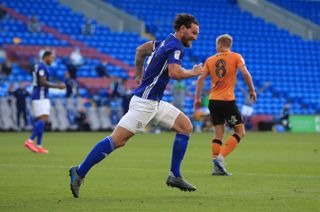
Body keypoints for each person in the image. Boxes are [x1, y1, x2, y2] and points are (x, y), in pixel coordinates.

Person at [69, 14, 202, 198]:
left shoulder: (161, 43)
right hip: (144, 104)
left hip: (154, 102)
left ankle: (175, 175)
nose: (195, 37)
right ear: (182, 29)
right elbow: (175, 73)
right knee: (117, 140)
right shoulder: (175, 46)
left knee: (185, 126)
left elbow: (140, 50)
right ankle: (79, 171)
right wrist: (194, 72)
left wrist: (138, 75)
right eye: (193, 32)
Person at [194, 34, 256, 176]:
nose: (216, 48)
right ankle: (220, 159)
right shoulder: (236, 57)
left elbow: (200, 80)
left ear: (220, 45)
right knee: (240, 132)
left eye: (217, 45)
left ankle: (216, 168)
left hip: (213, 101)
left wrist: (197, 98)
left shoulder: (210, 60)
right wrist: (252, 89)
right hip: (227, 101)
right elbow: (245, 74)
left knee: (218, 134)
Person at [24, 51, 66, 153]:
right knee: (44, 118)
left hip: (38, 95)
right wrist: (57, 86)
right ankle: (30, 140)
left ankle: (39, 145)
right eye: (51, 58)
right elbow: (42, 82)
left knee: (42, 121)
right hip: (40, 96)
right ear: (46, 57)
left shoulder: (39, 66)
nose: (52, 60)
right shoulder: (42, 66)